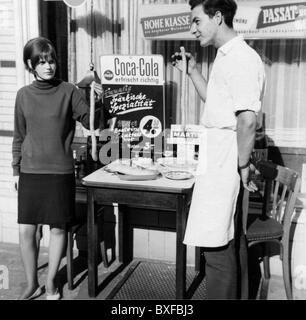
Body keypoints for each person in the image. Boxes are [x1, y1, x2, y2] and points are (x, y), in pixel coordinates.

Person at [171, 0, 265, 299]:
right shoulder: (226, 57)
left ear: (218, 17)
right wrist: (193, 72)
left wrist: (240, 165)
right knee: (224, 242)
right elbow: (218, 108)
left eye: (197, 21)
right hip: (218, 160)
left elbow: (247, 121)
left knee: (216, 248)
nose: (193, 29)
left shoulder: (241, 58)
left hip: (225, 162)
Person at [12, 37, 102, 300]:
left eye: (51, 60)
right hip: (30, 172)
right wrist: (15, 170)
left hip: (59, 171)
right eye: (41, 62)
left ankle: (51, 283)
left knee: (57, 229)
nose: (48, 66)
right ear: (31, 65)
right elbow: (19, 136)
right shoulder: (23, 95)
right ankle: (31, 284)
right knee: (26, 230)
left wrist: (97, 98)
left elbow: (92, 121)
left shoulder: (68, 91)